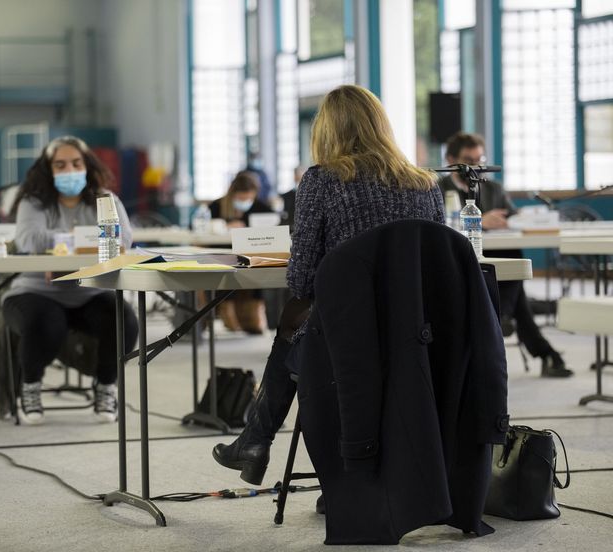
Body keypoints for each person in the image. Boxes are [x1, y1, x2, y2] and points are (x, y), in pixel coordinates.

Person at [212, 85, 446, 487]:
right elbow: (437, 266)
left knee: (293, 318)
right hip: (417, 331)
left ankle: (256, 439)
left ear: (326, 130)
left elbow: (302, 279)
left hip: (349, 336)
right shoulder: (426, 184)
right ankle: (257, 440)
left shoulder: (322, 180)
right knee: (298, 322)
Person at [1, 136, 138, 424]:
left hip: (88, 291)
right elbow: (29, 239)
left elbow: (122, 239)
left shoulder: (106, 200)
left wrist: (63, 245)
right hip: (35, 290)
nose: (69, 170)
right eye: (60, 165)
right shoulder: (33, 202)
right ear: (48, 170)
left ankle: (105, 387)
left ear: (87, 165)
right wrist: (88, 241)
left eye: (76, 163)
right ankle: (30, 387)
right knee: (46, 321)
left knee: (125, 319)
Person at [438, 132, 572, 378]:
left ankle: (503, 318)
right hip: (457, 258)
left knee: (511, 254)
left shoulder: (494, 189)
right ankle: (520, 331)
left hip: (496, 253)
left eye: (481, 159)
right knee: (515, 284)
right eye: (469, 160)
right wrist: (482, 220)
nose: (476, 167)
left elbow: (514, 217)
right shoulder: (438, 188)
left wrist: (511, 219)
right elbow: (439, 227)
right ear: (451, 159)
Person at [208, 171, 273, 334]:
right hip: (224, 251)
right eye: (241, 199)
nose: (245, 202)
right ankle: (225, 306)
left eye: (248, 198)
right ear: (233, 193)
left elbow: (273, 228)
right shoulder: (216, 206)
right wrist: (225, 226)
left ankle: (256, 308)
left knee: (258, 265)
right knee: (228, 264)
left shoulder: (262, 207)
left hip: (253, 251)